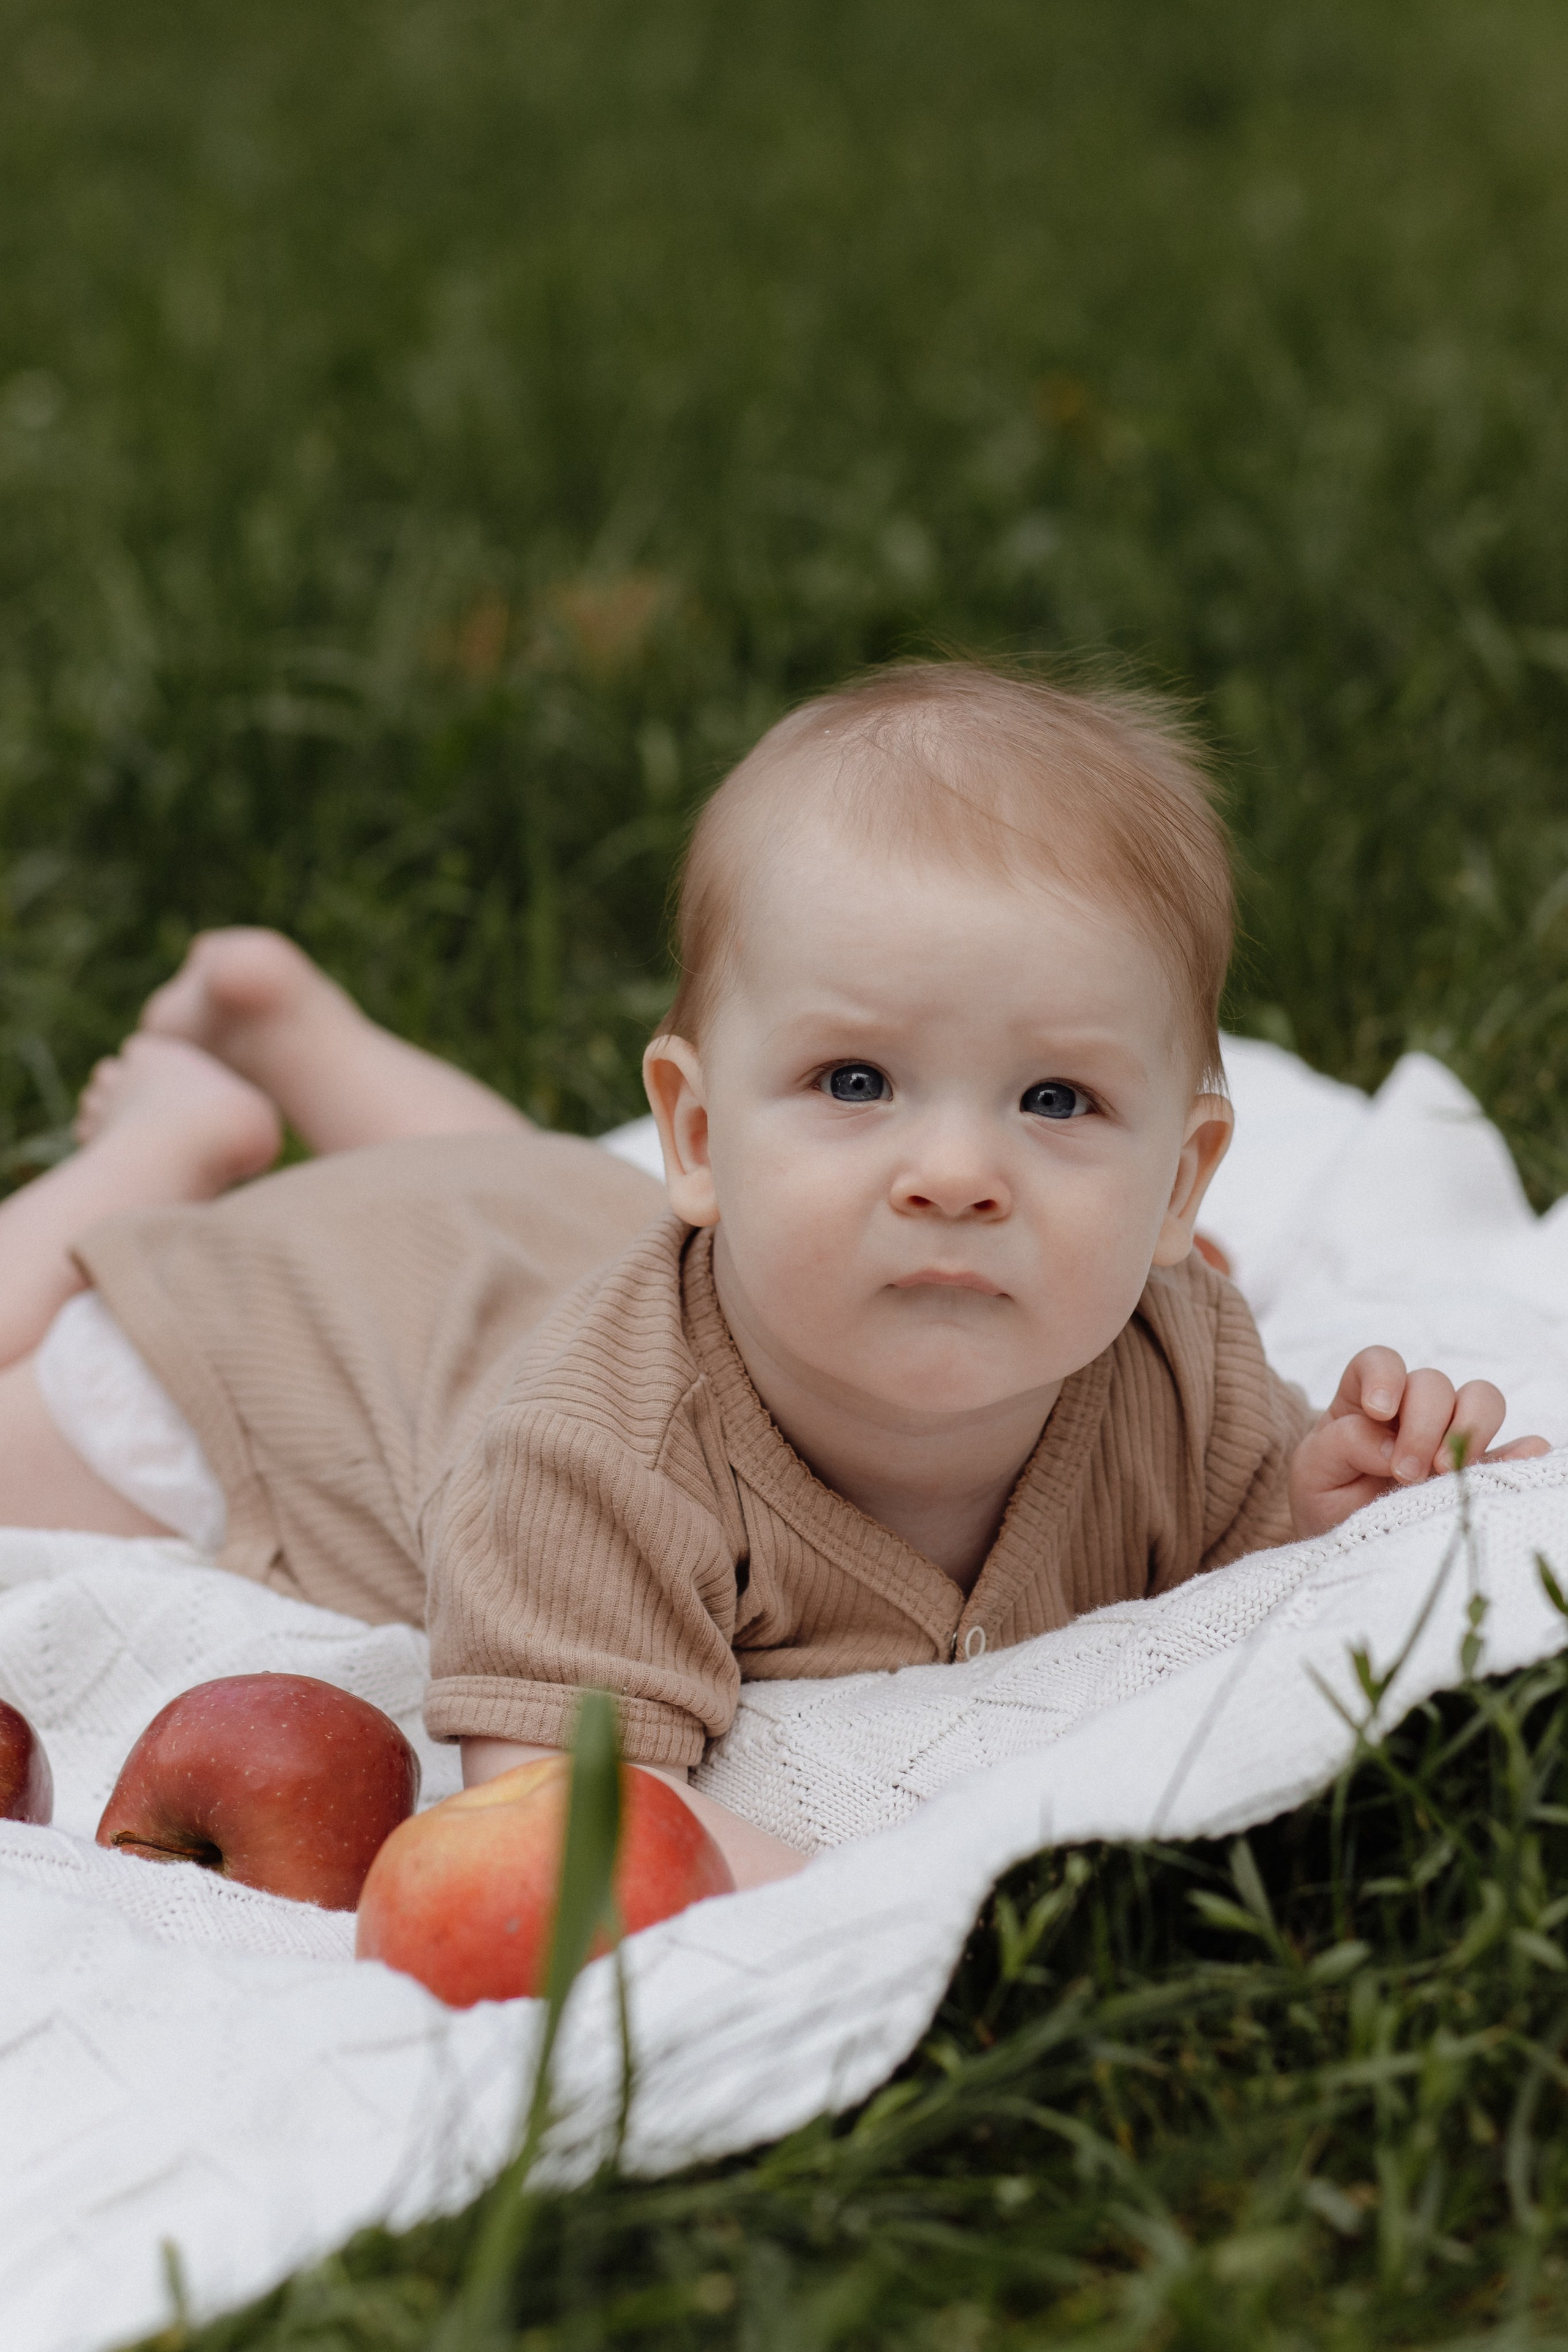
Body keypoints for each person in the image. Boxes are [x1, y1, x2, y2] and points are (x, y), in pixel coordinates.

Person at [0, 663, 1547, 1888]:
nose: (955, 1170)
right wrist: (875, 1895)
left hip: (545, 1221)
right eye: (857, 1082)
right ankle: (156, 1153)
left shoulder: (1179, 1368)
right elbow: (562, 1822)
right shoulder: (592, 1459)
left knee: (537, 1190)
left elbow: (1230, 1536)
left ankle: (296, 1037)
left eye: (1055, 1101)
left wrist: (1320, 1507)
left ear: (1182, 1187)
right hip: (291, 1345)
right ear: (699, 1134)